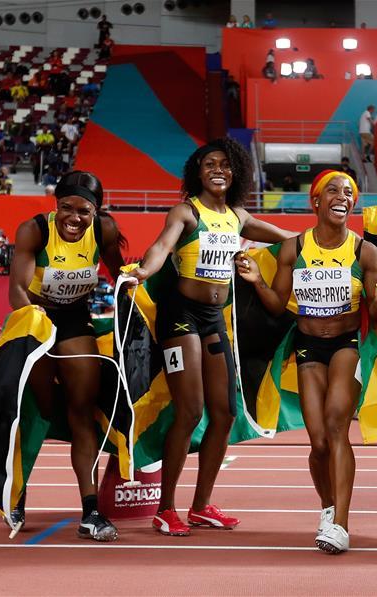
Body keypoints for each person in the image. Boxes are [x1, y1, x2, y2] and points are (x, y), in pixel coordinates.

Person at [128, 138, 294, 537]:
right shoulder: (186, 212)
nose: (217, 169)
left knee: (225, 413)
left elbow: (292, 239)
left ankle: (201, 505)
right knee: (190, 410)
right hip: (180, 317)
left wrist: (347, 244)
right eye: (208, 164)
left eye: (224, 164)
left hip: (213, 319)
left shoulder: (238, 216)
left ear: (235, 171)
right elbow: (161, 246)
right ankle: (165, 508)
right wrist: (143, 271)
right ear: (197, 172)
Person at [235, 170, 377, 553]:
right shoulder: (294, 249)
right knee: (318, 441)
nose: (343, 196)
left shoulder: (364, 252)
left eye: (349, 192)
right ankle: (328, 507)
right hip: (307, 347)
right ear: (315, 202)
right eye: (333, 190)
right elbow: (276, 306)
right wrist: (257, 280)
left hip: (346, 345)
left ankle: (341, 525)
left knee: (338, 425)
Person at [9, 170, 127, 541]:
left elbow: (118, 272)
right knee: (38, 410)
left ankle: (91, 510)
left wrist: (133, 290)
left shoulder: (104, 231)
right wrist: (33, 317)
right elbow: (16, 289)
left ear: (97, 212)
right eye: (66, 208)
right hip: (35, 317)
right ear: (55, 205)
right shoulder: (34, 231)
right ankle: (16, 494)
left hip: (75, 319)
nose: (73, 218)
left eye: (84, 211)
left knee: (82, 410)